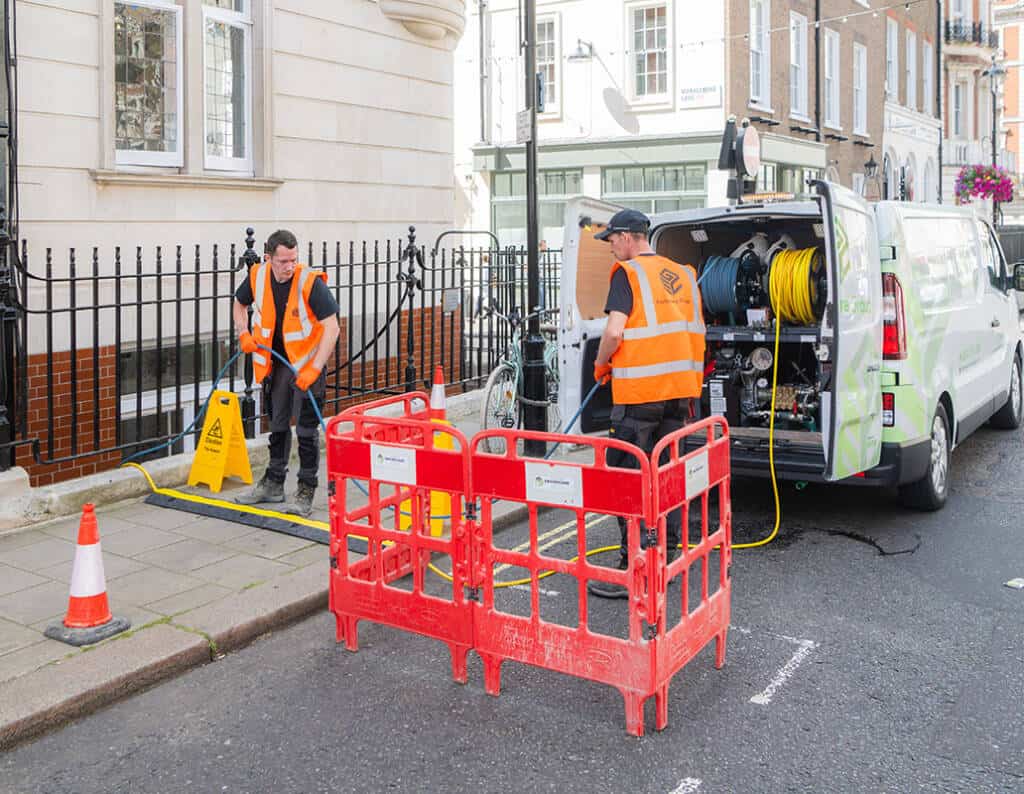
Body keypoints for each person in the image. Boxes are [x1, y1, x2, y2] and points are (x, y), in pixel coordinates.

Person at [587, 209, 706, 599]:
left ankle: (635, 568)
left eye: (611, 240)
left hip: (638, 399)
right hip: (680, 397)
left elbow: (614, 330)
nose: (610, 248)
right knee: (667, 481)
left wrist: (602, 364)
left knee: (629, 482)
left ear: (626, 237)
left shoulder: (629, 274)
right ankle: (665, 564)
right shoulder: (685, 275)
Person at [232, 229, 340, 516]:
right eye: (283, 261)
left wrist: (315, 369)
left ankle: (305, 489)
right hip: (278, 364)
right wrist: (243, 332)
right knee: (277, 425)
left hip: (307, 367)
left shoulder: (309, 282)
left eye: (293, 259)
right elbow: (239, 303)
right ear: (269, 258)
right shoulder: (257, 276)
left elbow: (333, 327)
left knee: (305, 430)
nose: (290, 266)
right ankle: (274, 484)